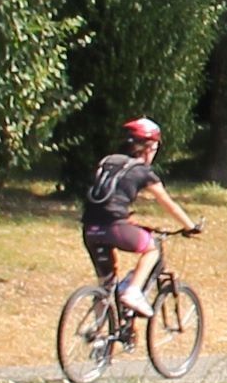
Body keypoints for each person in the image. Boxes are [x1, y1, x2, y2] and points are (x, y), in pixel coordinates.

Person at [81, 115, 199, 328]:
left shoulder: (108, 161)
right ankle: (133, 292)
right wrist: (190, 226)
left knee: (106, 285)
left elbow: (106, 196)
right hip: (114, 227)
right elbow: (168, 203)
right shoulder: (143, 171)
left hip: (90, 228)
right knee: (152, 248)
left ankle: (99, 336)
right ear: (150, 147)